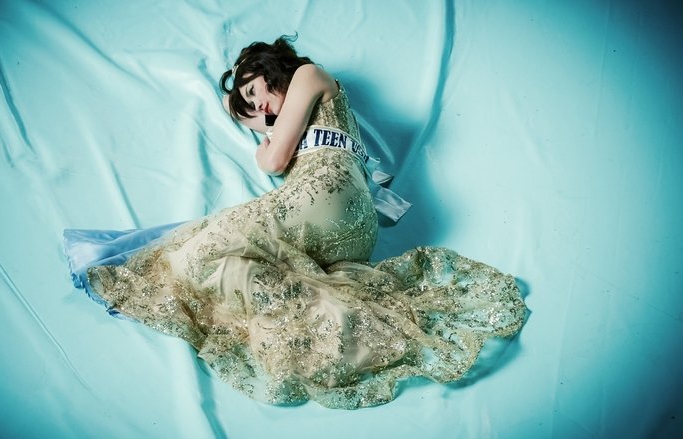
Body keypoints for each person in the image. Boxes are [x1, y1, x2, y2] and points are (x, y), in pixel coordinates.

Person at [64, 35, 526, 409]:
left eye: (254, 94)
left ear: (268, 69)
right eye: (252, 113)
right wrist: (257, 119)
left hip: (323, 194)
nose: (261, 112)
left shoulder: (308, 75)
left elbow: (273, 160)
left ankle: (339, 328)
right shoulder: (297, 114)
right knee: (233, 264)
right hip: (352, 231)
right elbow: (262, 130)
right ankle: (343, 326)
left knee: (195, 255)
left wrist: (264, 141)